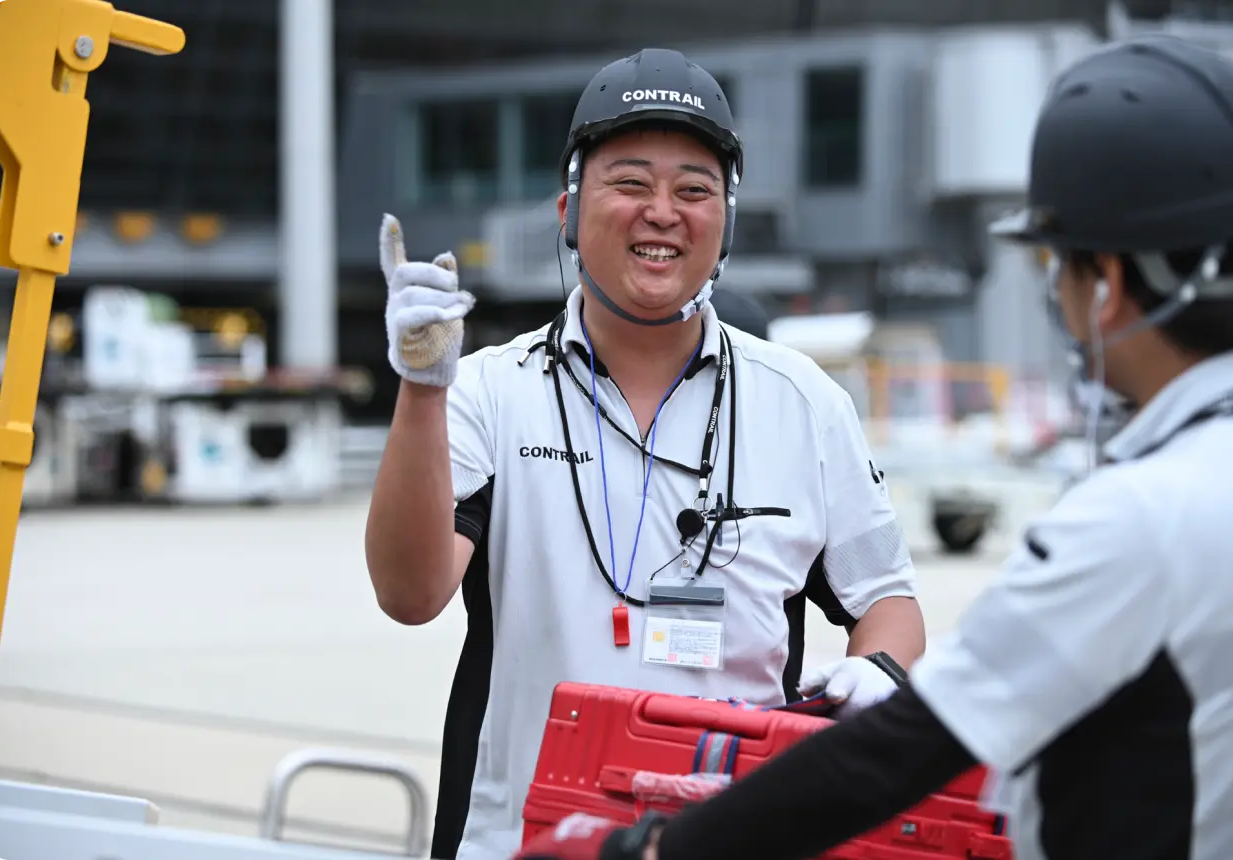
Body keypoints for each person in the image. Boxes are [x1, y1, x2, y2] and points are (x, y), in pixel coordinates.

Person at [511, 33, 1233, 860]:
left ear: (1104, 286)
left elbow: (901, 751)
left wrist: (644, 852)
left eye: (1057, 269)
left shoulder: (1139, 518)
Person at [365, 47, 926, 860]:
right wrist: (421, 390)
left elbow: (889, 601)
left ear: (724, 220)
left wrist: (880, 670)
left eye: (694, 190)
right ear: (568, 209)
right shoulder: (487, 391)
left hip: (733, 838)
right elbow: (409, 594)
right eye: (629, 183)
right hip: (520, 838)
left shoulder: (804, 403)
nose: (662, 212)